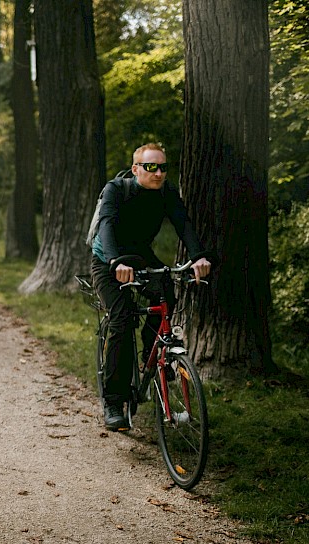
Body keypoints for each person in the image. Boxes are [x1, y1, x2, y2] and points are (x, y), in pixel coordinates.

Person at [89, 142, 212, 431]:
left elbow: (183, 224)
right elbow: (106, 224)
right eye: (150, 167)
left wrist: (198, 256)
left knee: (166, 294)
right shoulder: (116, 190)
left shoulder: (166, 193)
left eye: (162, 167)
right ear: (136, 169)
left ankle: (152, 355)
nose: (157, 173)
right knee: (122, 318)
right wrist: (116, 261)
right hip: (108, 258)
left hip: (141, 255)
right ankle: (114, 402)